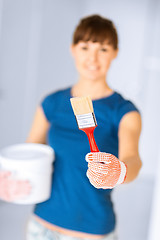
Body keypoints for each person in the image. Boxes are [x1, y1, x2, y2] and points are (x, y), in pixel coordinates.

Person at [0, 15, 142, 240]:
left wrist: (120, 171)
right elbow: (30, 154)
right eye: (85, 47)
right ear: (73, 49)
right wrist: (9, 177)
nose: (93, 58)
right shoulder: (52, 102)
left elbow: (133, 160)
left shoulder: (124, 111)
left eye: (103, 49)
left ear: (115, 52)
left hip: (91, 231)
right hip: (41, 224)